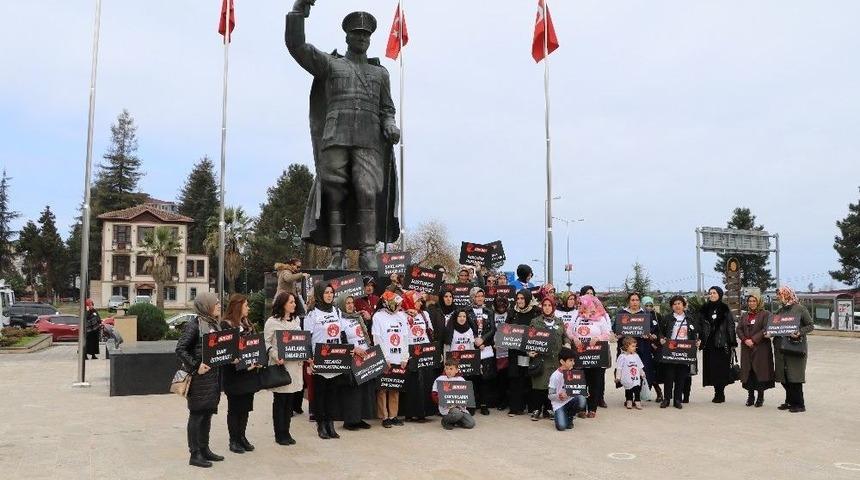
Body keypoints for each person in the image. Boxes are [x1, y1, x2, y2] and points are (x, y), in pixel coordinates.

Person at [286, 1, 401, 271]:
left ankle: (367, 252)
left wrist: (390, 124)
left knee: (367, 190)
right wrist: (298, 12)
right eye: (357, 34)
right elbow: (297, 46)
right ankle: (337, 253)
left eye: (366, 35)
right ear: (347, 37)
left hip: (369, 139)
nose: (362, 38)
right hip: (335, 136)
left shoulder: (380, 73)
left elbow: (387, 108)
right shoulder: (330, 64)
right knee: (334, 193)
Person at [175, 292, 224, 468]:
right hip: (199, 380)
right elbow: (180, 348)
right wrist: (196, 366)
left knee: (207, 414)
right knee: (197, 415)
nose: (219, 305)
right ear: (206, 305)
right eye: (216, 303)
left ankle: (204, 449)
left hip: (212, 379)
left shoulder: (214, 324)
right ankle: (194, 454)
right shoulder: (194, 325)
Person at [220, 294, 261, 454]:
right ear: (238, 307)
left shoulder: (247, 324)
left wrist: (258, 359)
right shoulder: (226, 325)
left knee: (245, 407)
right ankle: (234, 440)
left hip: (249, 374)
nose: (248, 308)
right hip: (234, 375)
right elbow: (224, 350)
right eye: (246, 305)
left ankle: (242, 437)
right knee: (235, 408)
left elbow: (255, 345)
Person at [264, 292, 305, 446]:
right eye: (291, 302)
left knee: (289, 402)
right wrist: (275, 355)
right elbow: (266, 342)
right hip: (281, 367)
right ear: (283, 304)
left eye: (294, 302)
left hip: (295, 366)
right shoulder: (272, 322)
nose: (294, 304)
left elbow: (301, 341)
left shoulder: (296, 321)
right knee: (280, 401)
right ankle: (279, 433)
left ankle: (286, 431)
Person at [306, 282, 345, 439]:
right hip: (320, 357)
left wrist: (345, 352)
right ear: (319, 294)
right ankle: (321, 424)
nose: (329, 295)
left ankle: (330, 424)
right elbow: (307, 338)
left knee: (332, 393)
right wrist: (310, 359)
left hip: (335, 357)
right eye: (326, 292)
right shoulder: (312, 314)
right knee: (320, 393)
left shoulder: (337, 311)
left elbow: (342, 334)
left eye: (331, 292)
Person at [769, 286, 814, 413]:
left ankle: (799, 404)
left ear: (786, 294)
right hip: (781, 348)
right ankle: (789, 401)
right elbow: (775, 327)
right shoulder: (780, 310)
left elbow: (810, 325)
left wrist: (799, 332)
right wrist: (770, 332)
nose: (778, 297)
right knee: (784, 377)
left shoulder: (800, 309)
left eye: (779, 294)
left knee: (794, 377)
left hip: (795, 348)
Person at [569, 294, 612, 416]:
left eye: (582, 304)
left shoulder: (600, 318)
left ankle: (592, 408)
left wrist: (598, 338)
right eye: (579, 304)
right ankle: (581, 408)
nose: (580, 306)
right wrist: (574, 338)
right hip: (580, 354)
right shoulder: (577, 317)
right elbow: (569, 331)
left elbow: (607, 334)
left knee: (594, 382)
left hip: (595, 355)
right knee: (581, 382)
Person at [613, 293, 658, 404]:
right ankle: (628, 398)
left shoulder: (645, 314)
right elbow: (615, 329)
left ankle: (637, 397)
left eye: (637, 300)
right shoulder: (622, 314)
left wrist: (649, 335)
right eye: (632, 300)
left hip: (642, 347)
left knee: (641, 371)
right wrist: (617, 334)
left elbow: (653, 331)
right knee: (626, 371)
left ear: (639, 301)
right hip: (625, 349)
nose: (635, 302)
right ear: (628, 301)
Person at [658, 295, 702, 409]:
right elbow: (661, 332)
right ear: (672, 306)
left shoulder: (690, 318)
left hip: (685, 350)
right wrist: (662, 339)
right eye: (674, 304)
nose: (677, 306)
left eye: (679, 303)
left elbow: (696, 333)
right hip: (670, 350)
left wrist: (697, 341)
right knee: (669, 376)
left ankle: (677, 399)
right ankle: (666, 399)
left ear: (684, 305)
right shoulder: (667, 318)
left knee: (681, 376)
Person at [339, 294, 374, 430]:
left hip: (364, 356)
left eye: (351, 302)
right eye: (347, 303)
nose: (350, 305)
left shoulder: (357, 317)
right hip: (351, 357)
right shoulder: (340, 319)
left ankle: (359, 418)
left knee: (363, 390)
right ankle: (349, 420)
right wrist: (354, 349)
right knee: (352, 391)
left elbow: (364, 335)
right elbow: (342, 341)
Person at [528, 297, 566, 421]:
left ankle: (549, 409)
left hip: (555, 360)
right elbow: (528, 339)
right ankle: (536, 409)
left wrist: (567, 343)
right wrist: (529, 351)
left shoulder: (559, 322)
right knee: (539, 385)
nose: (547, 308)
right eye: (545, 305)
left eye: (550, 305)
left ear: (553, 307)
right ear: (542, 307)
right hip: (541, 359)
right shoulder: (535, 322)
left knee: (553, 386)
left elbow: (565, 336)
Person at [372, 291, 407, 427]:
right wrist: (384, 357)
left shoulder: (401, 316)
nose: (399, 306)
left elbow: (405, 337)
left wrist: (405, 356)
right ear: (388, 304)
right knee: (383, 388)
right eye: (397, 304)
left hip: (399, 357)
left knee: (395, 387)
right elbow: (377, 338)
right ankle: (384, 416)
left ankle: (393, 415)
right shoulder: (378, 317)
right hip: (385, 358)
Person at [506, 289, 541, 416]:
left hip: (530, 352)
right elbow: (506, 330)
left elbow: (537, 332)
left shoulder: (535, 312)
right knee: (516, 379)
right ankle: (516, 407)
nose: (520, 301)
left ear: (528, 299)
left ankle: (532, 407)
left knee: (530, 378)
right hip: (516, 352)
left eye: (522, 298)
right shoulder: (512, 312)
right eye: (518, 298)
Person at [700, 286, 738, 403]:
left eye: (714, 293)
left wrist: (732, 342)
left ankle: (720, 393)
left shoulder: (725, 309)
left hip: (722, 344)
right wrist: (700, 339)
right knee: (711, 369)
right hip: (709, 344)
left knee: (721, 369)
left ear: (719, 295)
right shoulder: (704, 309)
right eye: (710, 293)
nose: (712, 295)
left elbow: (730, 326)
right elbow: (700, 325)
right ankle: (717, 391)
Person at [736, 293, 774, 407]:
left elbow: (766, 328)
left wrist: (754, 340)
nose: (751, 303)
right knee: (749, 372)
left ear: (759, 302)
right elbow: (739, 329)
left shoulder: (766, 314)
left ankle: (760, 397)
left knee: (760, 372)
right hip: (746, 348)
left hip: (761, 348)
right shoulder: (744, 315)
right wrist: (745, 340)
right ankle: (750, 396)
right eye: (750, 301)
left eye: (754, 301)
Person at [401, 291, 434, 422]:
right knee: (412, 384)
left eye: (420, 301)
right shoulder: (402, 315)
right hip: (410, 352)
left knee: (424, 382)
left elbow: (430, 331)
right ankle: (410, 413)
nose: (420, 303)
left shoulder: (425, 314)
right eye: (417, 301)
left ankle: (423, 413)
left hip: (424, 351)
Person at [468, 287, 496, 415]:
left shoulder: (489, 311)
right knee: (473, 377)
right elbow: (465, 327)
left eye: (481, 296)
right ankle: (472, 404)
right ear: (472, 297)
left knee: (485, 377)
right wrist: (475, 340)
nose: (480, 298)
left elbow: (492, 329)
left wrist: (483, 340)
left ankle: (484, 404)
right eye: (477, 296)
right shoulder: (467, 311)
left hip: (486, 348)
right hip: (472, 348)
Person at [547, 347, 587, 431]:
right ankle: (560, 415)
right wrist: (559, 396)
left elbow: (577, 389)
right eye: (570, 360)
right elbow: (550, 396)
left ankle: (570, 416)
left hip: (570, 401)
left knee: (582, 399)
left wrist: (583, 391)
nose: (573, 363)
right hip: (558, 405)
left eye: (573, 360)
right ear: (562, 361)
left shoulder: (574, 373)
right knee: (561, 427)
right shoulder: (555, 376)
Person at [431, 359, 476, 430]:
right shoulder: (439, 379)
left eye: (451, 369)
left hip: (460, 407)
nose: (448, 371)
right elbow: (434, 394)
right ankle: (445, 421)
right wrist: (446, 402)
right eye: (446, 368)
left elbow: (466, 395)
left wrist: (460, 402)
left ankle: (455, 421)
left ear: (456, 370)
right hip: (447, 408)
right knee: (457, 413)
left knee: (470, 424)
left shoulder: (461, 380)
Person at [641, 296, 665, 402]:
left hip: (656, 347)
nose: (649, 307)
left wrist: (657, 338)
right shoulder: (640, 315)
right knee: (644, 370)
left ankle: (659, 392)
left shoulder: (657, 316)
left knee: (655, 370)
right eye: (646, 305)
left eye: (650, 305)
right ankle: (644, 393)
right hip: (643, 346)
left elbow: (661, 330)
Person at [615, 336, 645, 410]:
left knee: (637, 389)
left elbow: (639, 366)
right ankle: (629, 400)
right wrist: (618, 377)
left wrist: (642, 373)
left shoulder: (636, 356)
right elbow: (619, 368)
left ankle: (637, 401)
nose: (635, 348)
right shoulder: (622, 357)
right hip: (627, 377)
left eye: (635, 346)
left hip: (635, 377)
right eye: (633, 346)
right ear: (626, 346)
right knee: (628, 390)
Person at [492, 295, 511, 411]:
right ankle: (500, 400)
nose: (501, 307)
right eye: (498, 305)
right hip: (495, 349)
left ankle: (507, 401)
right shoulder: (491, 314)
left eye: (503, 305)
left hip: (509, 349)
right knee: (499, 377)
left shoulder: (510, 314)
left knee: (508, 376)